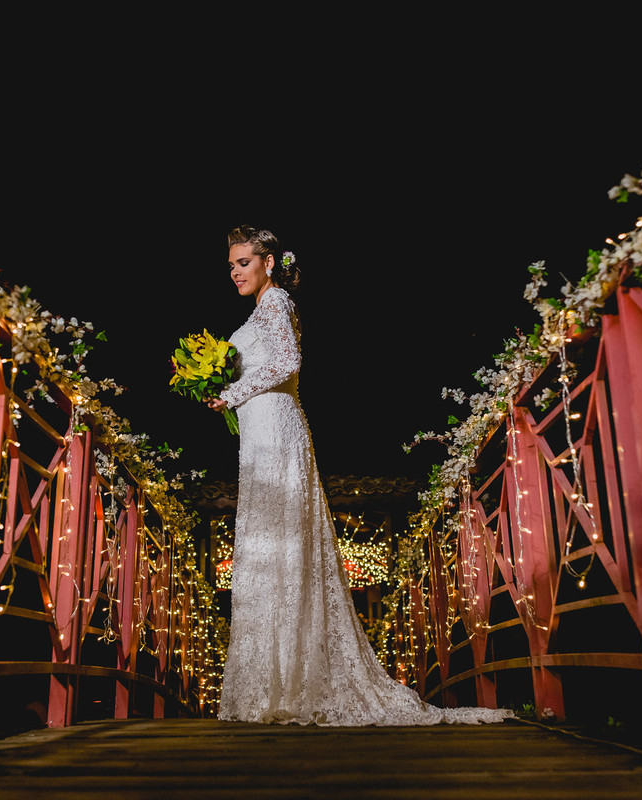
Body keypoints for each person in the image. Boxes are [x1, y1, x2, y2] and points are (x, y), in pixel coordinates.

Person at [206, 225, 513, 726]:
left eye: (244, 262)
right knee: (266, 546)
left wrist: (232, 393)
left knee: (285, 541)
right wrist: (218, 383)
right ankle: (273, 682)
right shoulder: (260, 310)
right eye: (231, 265)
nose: (236, 272)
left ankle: (294, 682)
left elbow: (288, 361)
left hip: (277, 428)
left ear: (268, 262)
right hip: (257, 433)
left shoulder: (277, 301)